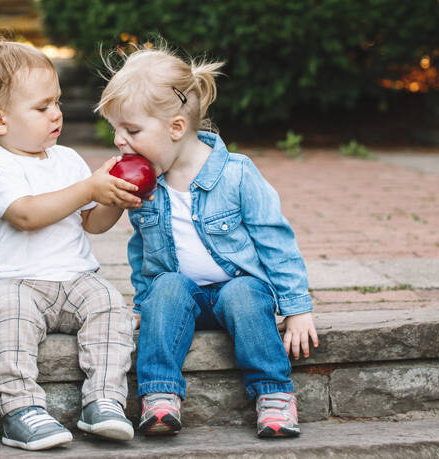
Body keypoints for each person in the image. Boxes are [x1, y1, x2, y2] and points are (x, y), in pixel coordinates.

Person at [95, 44, 319, 438]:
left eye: (131, 131)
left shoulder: (237, 174)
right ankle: (160, 396)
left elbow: (276, 241)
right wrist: (145, 304)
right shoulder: (147, 184)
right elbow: (143, 249)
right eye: (116, 130)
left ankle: (274, 394)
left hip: (238, 289)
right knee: (165, 288)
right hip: (184, 296)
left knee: (246, 294)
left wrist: (297, 308)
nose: (119, 141)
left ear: (176, 128)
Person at [0, 34, 142, 451]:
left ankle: (104, 400)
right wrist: (90, 188)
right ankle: (21, 409)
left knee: (111, 307)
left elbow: (92, 224)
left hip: (74, 279)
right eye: (41, 107)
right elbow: (26, 214)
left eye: (57, 102)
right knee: (9, 316)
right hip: (15, 282)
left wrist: (115, 197)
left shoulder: (67, 159)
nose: (56, 113)